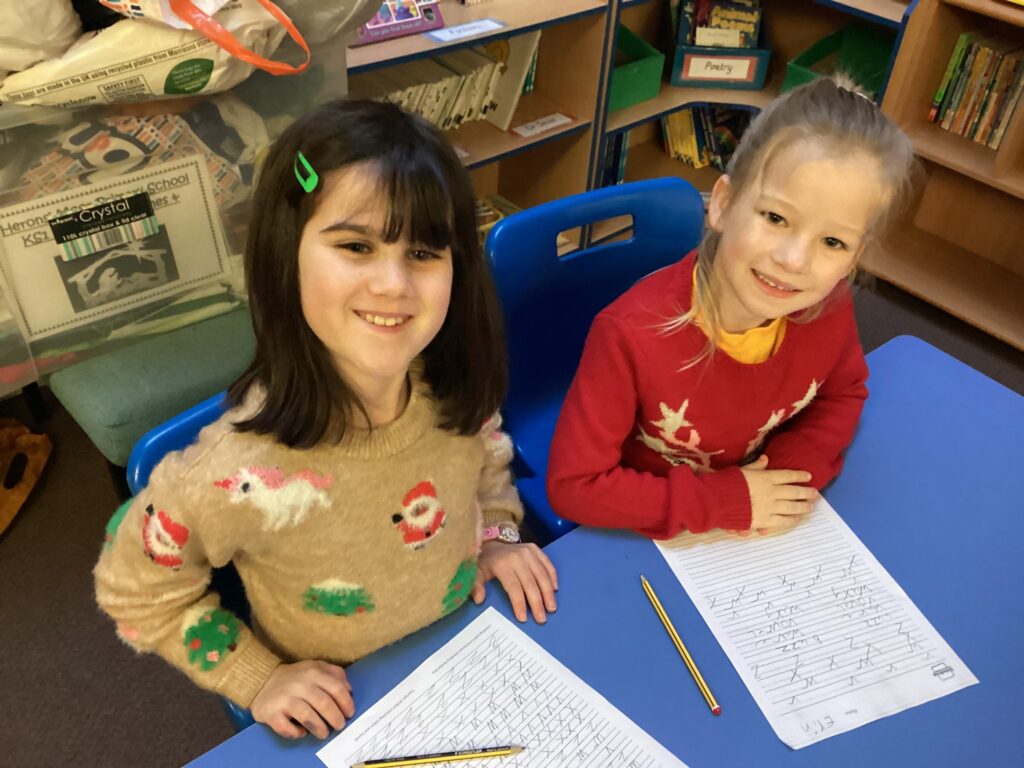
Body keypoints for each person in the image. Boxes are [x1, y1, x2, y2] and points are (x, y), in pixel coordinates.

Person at [95, 98, 558, 741]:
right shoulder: (229, 469)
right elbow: (132, 587)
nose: (394, 283)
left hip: (463, 649)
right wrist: (255, 677)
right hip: (345, 709)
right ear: (289, 256)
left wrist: (497, 537)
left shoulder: (454, 389)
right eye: (356, 245)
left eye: (423, 252)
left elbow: (486, 465)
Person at [547, 76, 916, 540]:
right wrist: (728, 500)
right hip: (659, 529)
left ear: (854, 258)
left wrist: (785, 478)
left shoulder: (825, 305)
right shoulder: (629, 335)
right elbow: (574, 487)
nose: (794, 261)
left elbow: (842, 393)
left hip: (746, 532)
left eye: (832, 242)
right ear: (722, 204)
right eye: (776, 218)